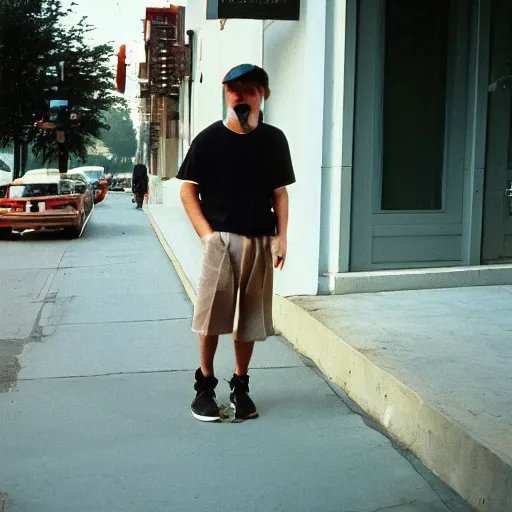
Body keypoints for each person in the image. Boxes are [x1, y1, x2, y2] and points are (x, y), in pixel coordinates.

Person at [177, 64, 296, 422]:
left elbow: (280, 193)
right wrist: (207, 236)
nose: (239, 95)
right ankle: (205, 387)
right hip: (221, 243)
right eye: (233, 89)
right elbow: (187, 189)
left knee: (250, 319)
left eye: (248, 89)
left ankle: (240, 385)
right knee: (211, 317)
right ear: (226, 94)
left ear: (263, 95)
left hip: (260, 240)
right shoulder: (210, 139)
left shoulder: (274, 140)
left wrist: (281, 237)